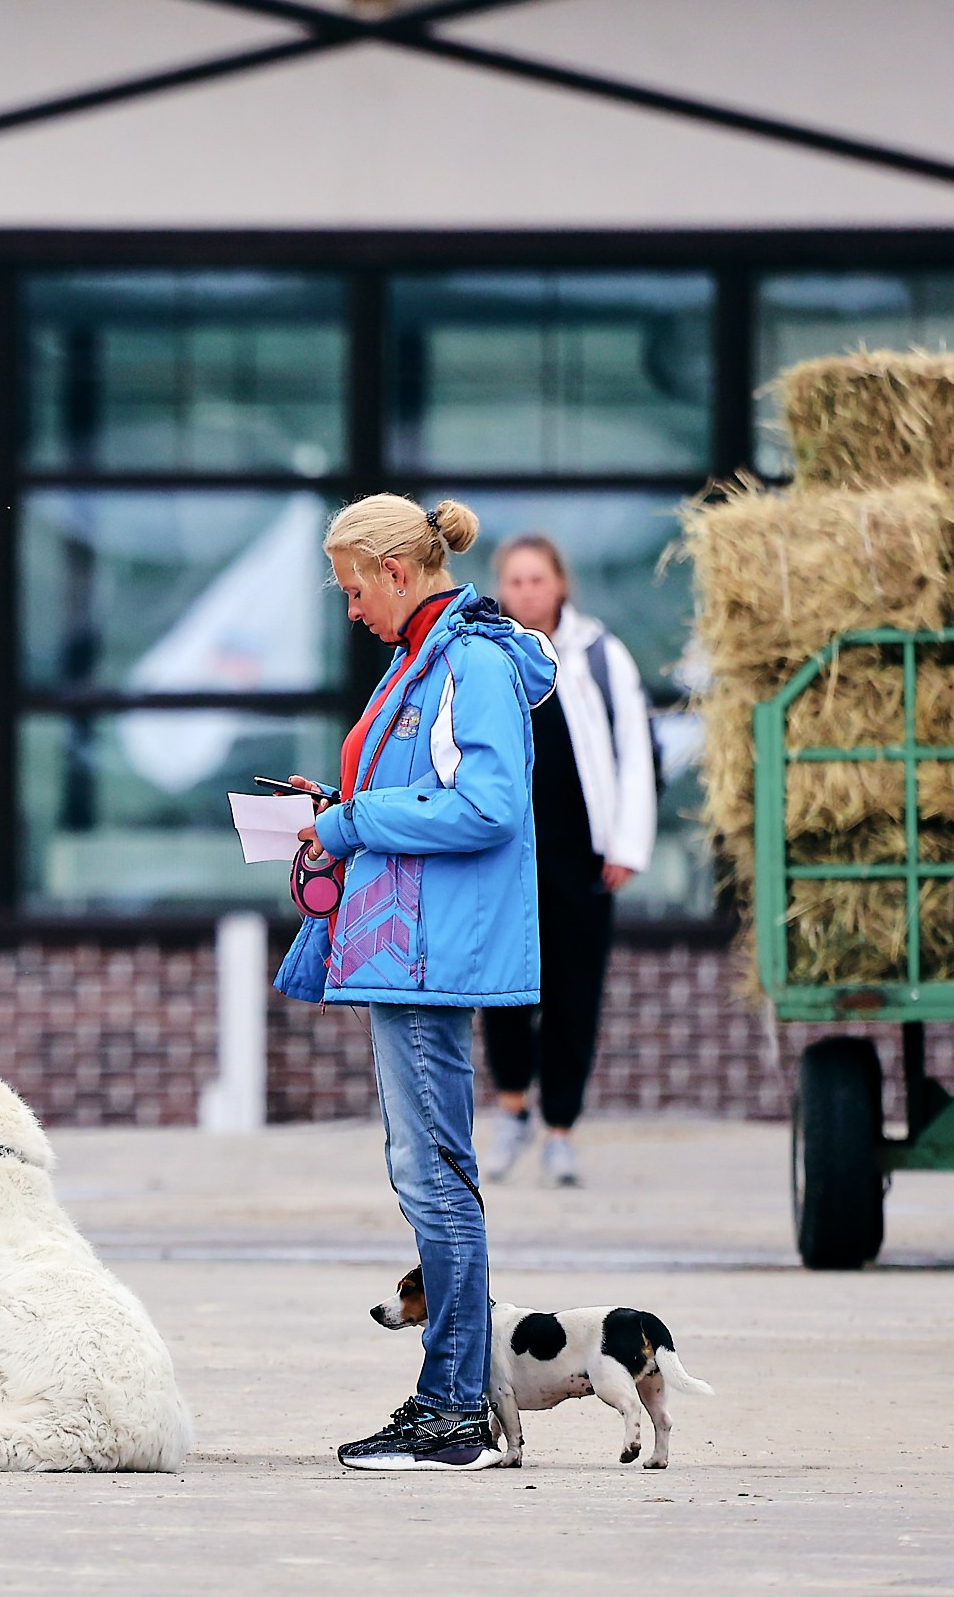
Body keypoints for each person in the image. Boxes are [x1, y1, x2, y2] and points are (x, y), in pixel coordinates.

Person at [274, 493, 556, 1473]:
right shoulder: (423, 659)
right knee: (431, 1173)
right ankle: (458, 1406)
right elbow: (429, 798)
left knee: (433, 1176)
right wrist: (339, 807)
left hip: (429, 954)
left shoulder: (465, 662)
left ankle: (451, 1415)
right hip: (411, 947)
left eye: (354, 589)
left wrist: (351, 823)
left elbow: (485, 805)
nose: (348, 608)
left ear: (398, 573)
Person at [484, 534, 657, 1188]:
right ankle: (510, 1109)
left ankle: (559, 1128)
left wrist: (626, 844)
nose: (527, 590)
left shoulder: (600, 655)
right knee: (501, 986)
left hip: (580, 854)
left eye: (537, 579)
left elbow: (634, 751)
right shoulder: (485, 653)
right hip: (503, 857)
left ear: (560, 584)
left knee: (573, 994)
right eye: (515, 580)